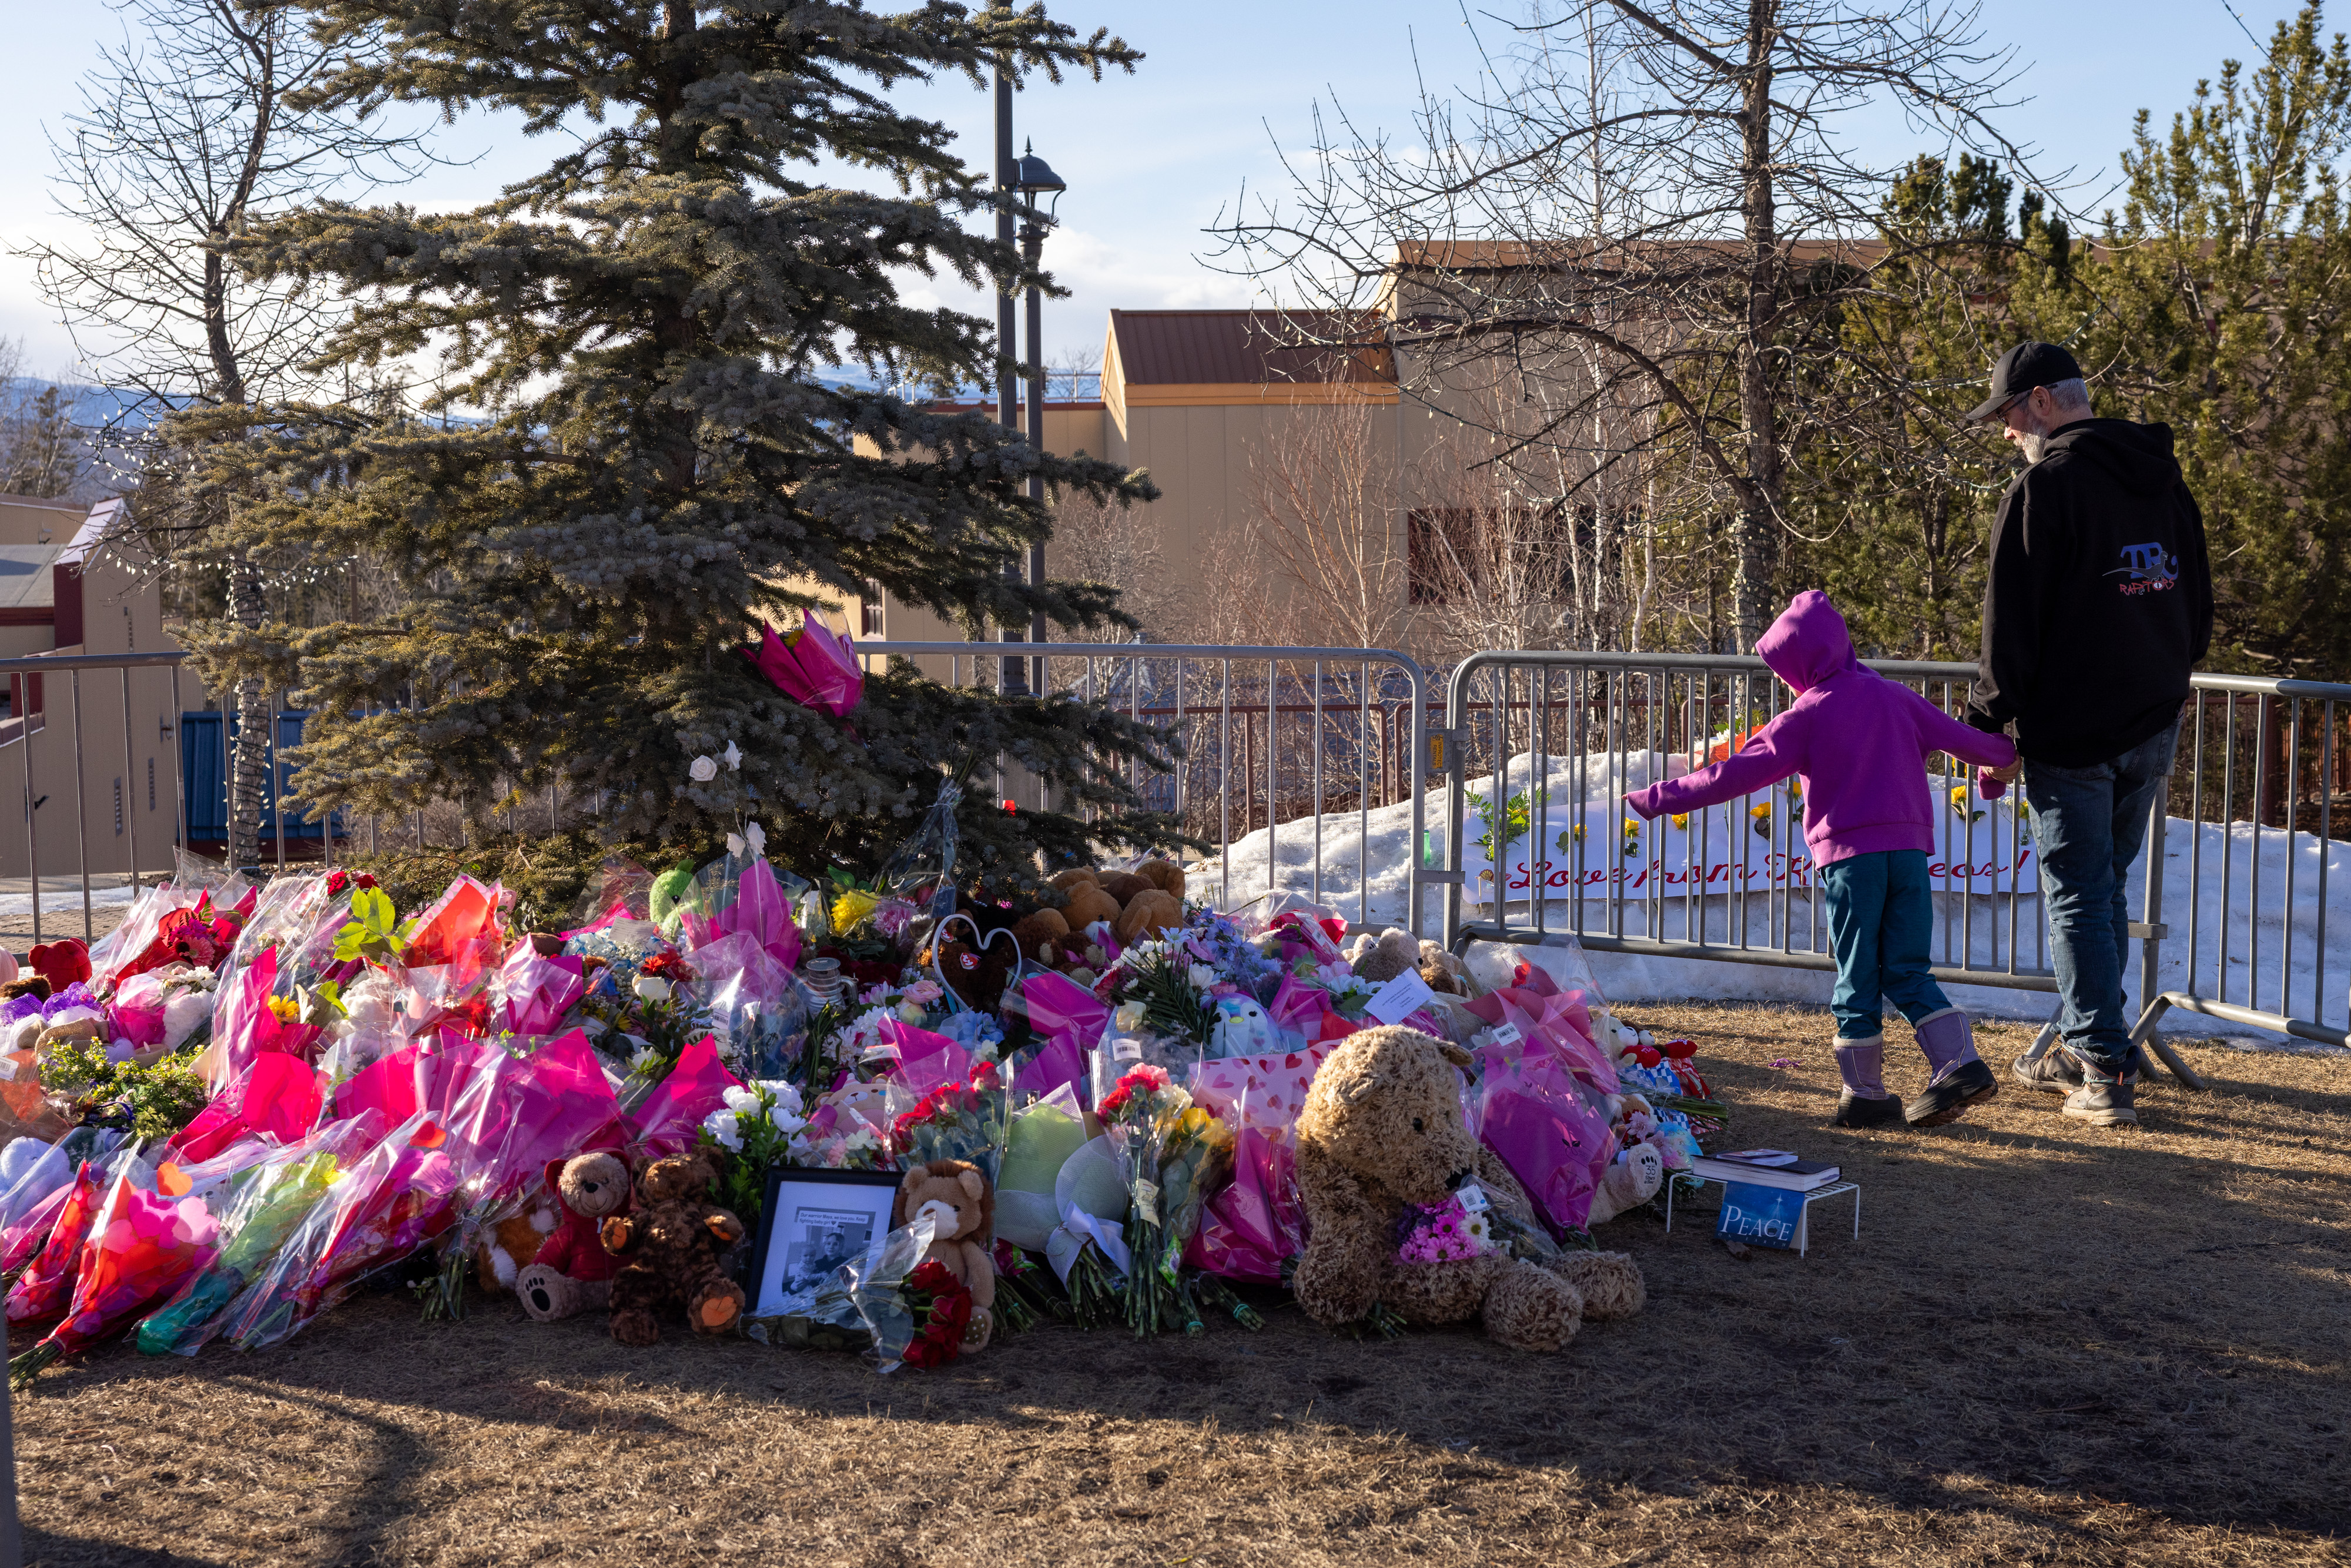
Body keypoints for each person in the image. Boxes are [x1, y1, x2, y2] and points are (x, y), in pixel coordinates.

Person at [1626, 590, 2018, 1129]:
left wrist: (1655, 798)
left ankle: (1865, 1093)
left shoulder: (1807, 714)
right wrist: (1995, 773)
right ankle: (1960, 1063)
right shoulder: (1897, 698)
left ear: (1795, 663)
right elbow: (1982, 746)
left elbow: (1732, 774)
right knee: (1907, 968)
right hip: (1909, 854)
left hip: (1852, 862)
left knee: (1857, 972)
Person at [1962, 342, 2213, 1128]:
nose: (2008, 432)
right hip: (2152, 718)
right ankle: (2088, 1044)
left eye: (2008, 415)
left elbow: (2010, 625)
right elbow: (2198, 604)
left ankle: (2103, 1066)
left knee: (2078, 893)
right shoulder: (2163, 480)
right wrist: (2170, 676)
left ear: (2040, 401)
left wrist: (1985, 723)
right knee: (2103, 888)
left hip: (2073, 730)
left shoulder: (2047, 487)